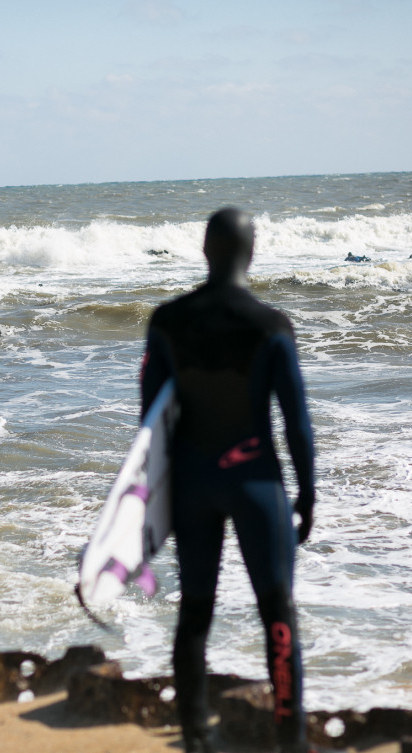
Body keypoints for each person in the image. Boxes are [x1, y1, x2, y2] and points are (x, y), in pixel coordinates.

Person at [140, 207, 315, 753]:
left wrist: (152, 500)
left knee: (195, 610)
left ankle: (195, 734)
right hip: (256, 481)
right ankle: (290, 737)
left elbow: (151, 421)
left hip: (192, 484)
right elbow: (297, 422)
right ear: (252, 252)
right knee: (277, 613)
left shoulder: (167, 322)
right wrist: (308, 493)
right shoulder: (271, 326)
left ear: (205, 250)